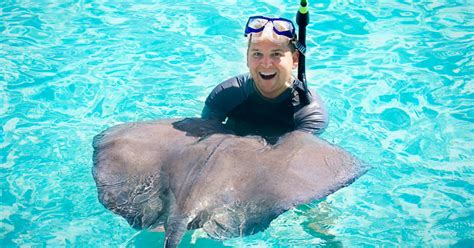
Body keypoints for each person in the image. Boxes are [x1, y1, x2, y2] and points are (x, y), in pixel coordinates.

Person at [202, 16, 328, 141]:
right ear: (247, 58)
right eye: (257, 54)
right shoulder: (224, 96)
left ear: (295, 60)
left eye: (276, 54)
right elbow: (204, 142)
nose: (266, 63)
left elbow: (299, 154)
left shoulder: (310, 113)